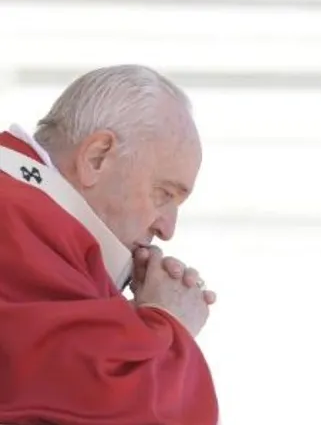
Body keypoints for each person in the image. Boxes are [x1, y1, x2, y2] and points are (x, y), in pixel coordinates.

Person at [0, 64, 219, 424]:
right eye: (163, 194)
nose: (167, 230)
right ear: (96, 157)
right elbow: (105, 408)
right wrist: (168, 326)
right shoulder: (14, 219)